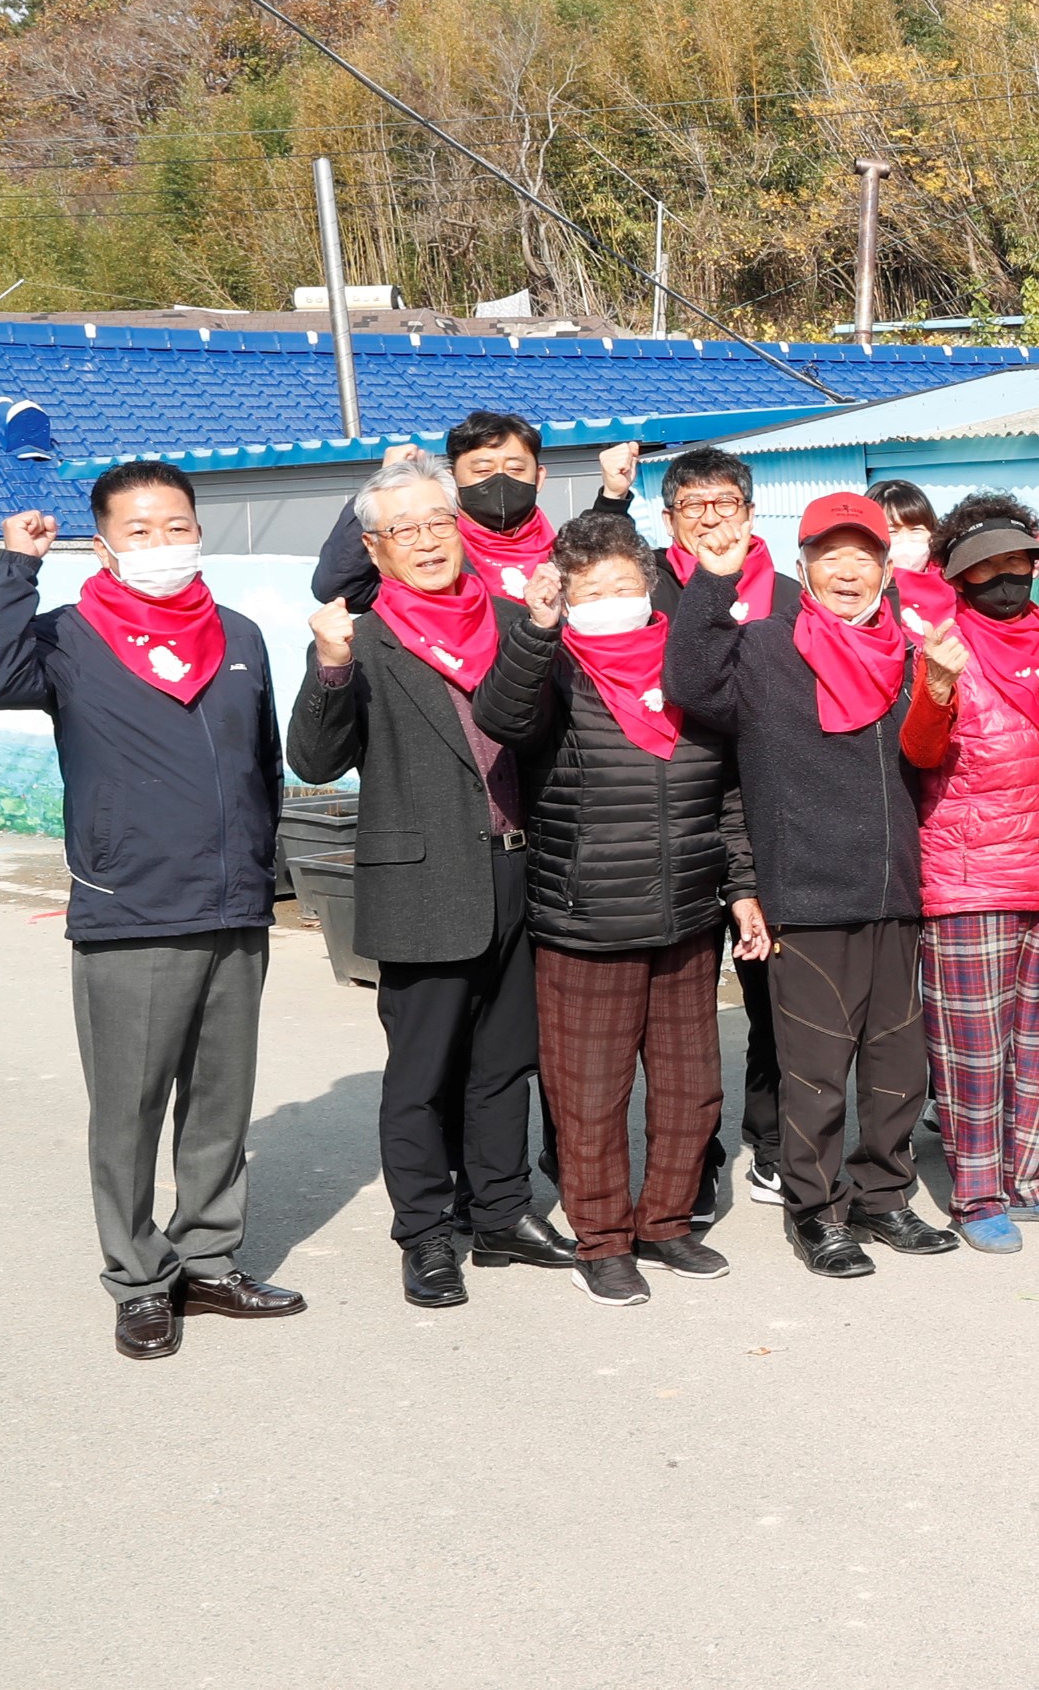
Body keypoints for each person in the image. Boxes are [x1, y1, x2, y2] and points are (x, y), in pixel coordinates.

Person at [0, 468, 307, 1360]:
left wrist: (271, 872)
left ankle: (209, 1260)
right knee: (130, 1109)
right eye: (141, 531)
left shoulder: (238, 636)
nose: (164, 545)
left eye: (178, 526)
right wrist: (13, 567)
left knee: (220, 1103)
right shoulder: (67, 638)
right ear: (105, 543)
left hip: (232, 904)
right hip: (132, 904)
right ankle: (138, 1279)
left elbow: (261, 761)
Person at [286, 451, 574, 1306]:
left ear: (461, 531)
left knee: (501, 1066)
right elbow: (315, 758)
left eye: (437, 523)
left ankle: (501, 1213)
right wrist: (330, 667)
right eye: (402, 530)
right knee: (421, 1076)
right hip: (420, 883)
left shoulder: (511, 620)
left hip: (517, 868)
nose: (425, 541)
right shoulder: (365, 638)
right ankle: (426, 1231)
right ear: (374, 552)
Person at [472, 510, 765, 1304]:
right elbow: (499, 718)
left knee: (690, 1086)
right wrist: (536, 629)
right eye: (591, 589)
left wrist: (740, 888)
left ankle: (666, 1222)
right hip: (586, 919)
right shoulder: (556, 669)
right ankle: (602, 1237)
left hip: (685, 915)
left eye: (624, 584)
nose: (611, 599)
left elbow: (729, 794)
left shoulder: (688, 669)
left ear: (649, 588)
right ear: (567, 598)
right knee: (588, 1095)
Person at [667, 489, 957, 1278]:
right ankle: (818, 1213)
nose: (847, 571)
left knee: (899, 1071)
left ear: (885, 568)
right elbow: (690, 685)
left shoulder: (908, 650)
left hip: (894, 888)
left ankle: (886, 1198)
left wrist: (938, 684)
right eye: (829, 557)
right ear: (804, 568)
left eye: (862, 555)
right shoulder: (765, 646)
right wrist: (713, 582)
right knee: (817, 1073)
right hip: (806, 890)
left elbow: (928, 754)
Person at [894, 495, 1039, 1254]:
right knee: (974, 1050)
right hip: (969, 878)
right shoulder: (945, 647)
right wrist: (936, 689)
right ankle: (976, 1194)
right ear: (960, 578)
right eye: (990, 570)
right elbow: (919, 752)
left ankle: (1033, 1180)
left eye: (1019, 566)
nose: (1008, 582)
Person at [647, 444, 778, 1224]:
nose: (709, 518)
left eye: (723, 502)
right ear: (668, 521)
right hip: (683, 814)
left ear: (750, 512)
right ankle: (692, 1162)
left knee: (773, 1001)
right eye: (691, 506)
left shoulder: (791, 597)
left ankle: (771, 1140)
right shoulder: (649, 590)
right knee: (685, 1016)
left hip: (770, 813)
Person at [313, 413, 638, 606]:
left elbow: (599, 558)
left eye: (514, 469)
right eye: (482, 471)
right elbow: (338, 588)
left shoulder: (561, 549)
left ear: (538, 478)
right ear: (453, 479)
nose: (500, 480)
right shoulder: (430, 553)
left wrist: (613, 494)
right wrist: (382, 490)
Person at [872, 478, 960, 635]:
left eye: (915, 530)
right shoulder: (867, 592)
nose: (905, 541)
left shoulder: (955, 578)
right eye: (892, 532)